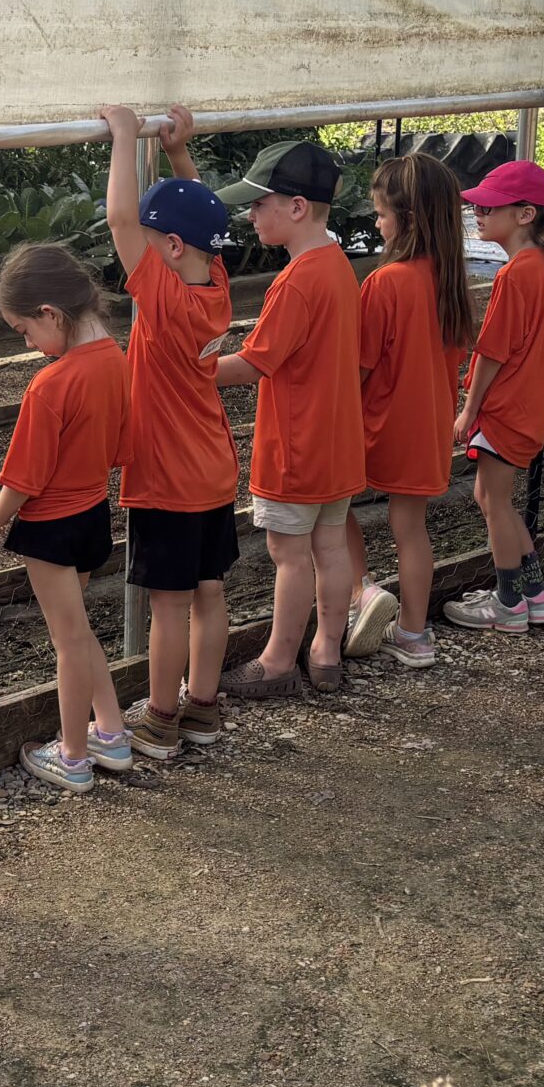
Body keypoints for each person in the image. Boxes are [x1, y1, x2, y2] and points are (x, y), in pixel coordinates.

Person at [0, 241, 131, 791]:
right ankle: (111, 731)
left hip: (51, 527)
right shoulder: (118, 361)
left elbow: (22, 480)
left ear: (50, 314)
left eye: (25, 332)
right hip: (93, 514)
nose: (29, 344)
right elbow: (122, 446)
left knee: (68, 641)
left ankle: (73, 756)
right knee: (79, 631)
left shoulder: (52, 383)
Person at [102, 103, 241, 758]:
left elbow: (120, 220)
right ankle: (204, 709)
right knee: (209, 593)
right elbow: (201, 219)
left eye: (156, 243)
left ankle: (159, 720)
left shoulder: (166, 301)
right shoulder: (214, 283)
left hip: (168, 479)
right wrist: (180, 153)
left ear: (172, 248)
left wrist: (126, 138)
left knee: (169, 606)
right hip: (212, 470)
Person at [213, 139, 365, 696]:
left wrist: (179, 370)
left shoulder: (296, 280)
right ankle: (326, 651)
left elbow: (255, 362)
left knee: (289, 554)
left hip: (296, 445)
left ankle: (277, 661)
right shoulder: (338, 268)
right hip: (338, 442)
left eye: (259, 204)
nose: (251, 215)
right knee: (330, 547)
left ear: (297, 207)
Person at [343, 154, 474, 670]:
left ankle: (360, 591)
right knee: (411, 529)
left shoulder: (385, 283)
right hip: (429, 426)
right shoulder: (450, 282)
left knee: (332, 511)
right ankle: (415, 635)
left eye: (380, 214)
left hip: (377, 424)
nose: (377, 224)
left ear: (409, 219)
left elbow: (359, 366)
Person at [444, 160, 544, 634]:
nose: (477, 211)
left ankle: (508, 603)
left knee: (492, 500)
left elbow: (493, 351)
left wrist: (468, 409)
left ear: (524, 214)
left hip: (503, 407)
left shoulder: (517, 274)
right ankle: (536, 595)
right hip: (529, 407)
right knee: (501, 499)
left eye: (488, 205)